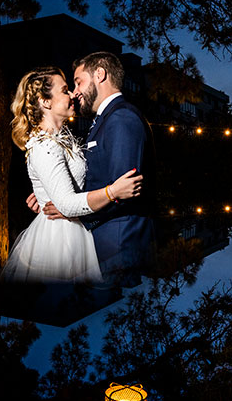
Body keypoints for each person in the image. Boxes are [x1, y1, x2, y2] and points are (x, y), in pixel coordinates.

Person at [1, 66, 143, 284]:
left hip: (76, 230)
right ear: (45, 101)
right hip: (59, 238)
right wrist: (113, 191)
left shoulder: (62, 138)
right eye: (65, 90)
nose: (72, 95)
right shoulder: (45, 146)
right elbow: (66, 205)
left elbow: (65, 184)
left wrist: (47, 191)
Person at [35, 52, 156, 286]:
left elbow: (125, 191)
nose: (75, 91)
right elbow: (96, 177)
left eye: (79, 82)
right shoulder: (103, 120)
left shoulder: (121, 118)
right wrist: (52, 189)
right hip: (106, 242)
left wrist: (70, 209)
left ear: (100, 75)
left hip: (119, 244)